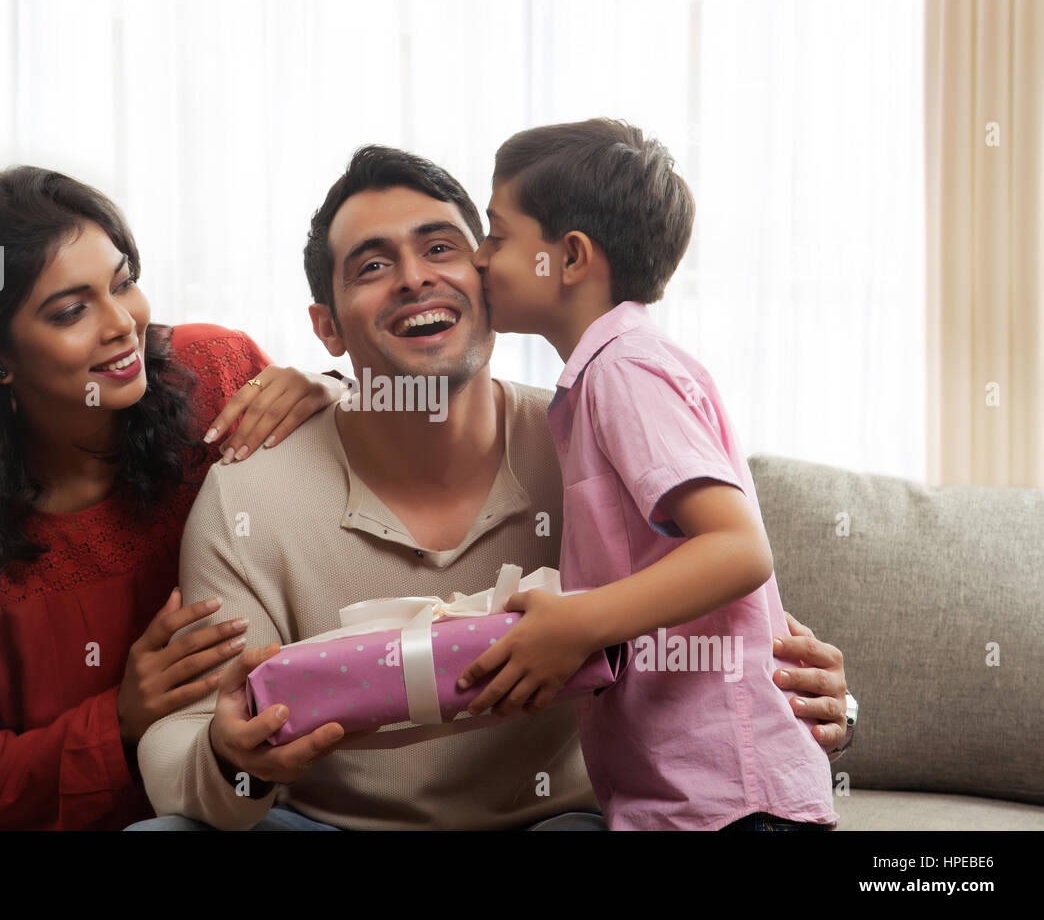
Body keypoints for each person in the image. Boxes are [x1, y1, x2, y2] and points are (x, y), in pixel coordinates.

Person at [130, 146, 852, 830]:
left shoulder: (594, 436)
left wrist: (829, 705)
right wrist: (232, 759)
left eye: (442, 248)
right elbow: (185, 739)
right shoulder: (249, 496)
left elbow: (725, 597)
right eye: (372, 265)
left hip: (557, 820)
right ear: (327, 328)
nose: (415, 277)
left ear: (488, 279)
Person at [0, 165, 345, 829]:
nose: (122, 323)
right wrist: (119, 720)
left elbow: (341, 490)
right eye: (71, 311)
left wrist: (334, 392)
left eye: (123, 282)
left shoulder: (215, 373)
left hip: (222, 804)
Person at [457, 119, 837, 830]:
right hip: (675, 803)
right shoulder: (607, 375)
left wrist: (578, 623)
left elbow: (738, 548)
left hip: (728, 808)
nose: (480, 259)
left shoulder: (625, 370)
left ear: (569, 258)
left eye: (498, 236)